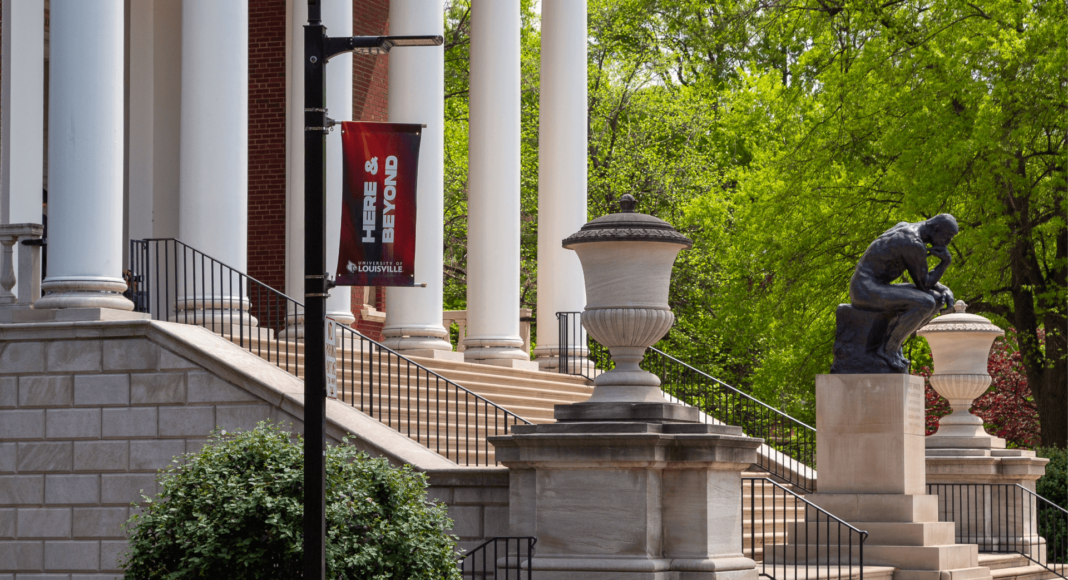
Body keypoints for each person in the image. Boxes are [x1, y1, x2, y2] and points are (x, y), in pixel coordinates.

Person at [848, 214, 958, 372]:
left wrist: (944, 289)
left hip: (877, 286)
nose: (947, 244)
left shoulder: (909, 229)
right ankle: (888, 349)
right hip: (864, 289)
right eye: (947, 238)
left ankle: (894, 342)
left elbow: (921, 275)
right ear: (936, 229)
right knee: (926, 303)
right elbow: (924, 283)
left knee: (937, 299)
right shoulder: (912, 242)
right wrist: (945, 263)